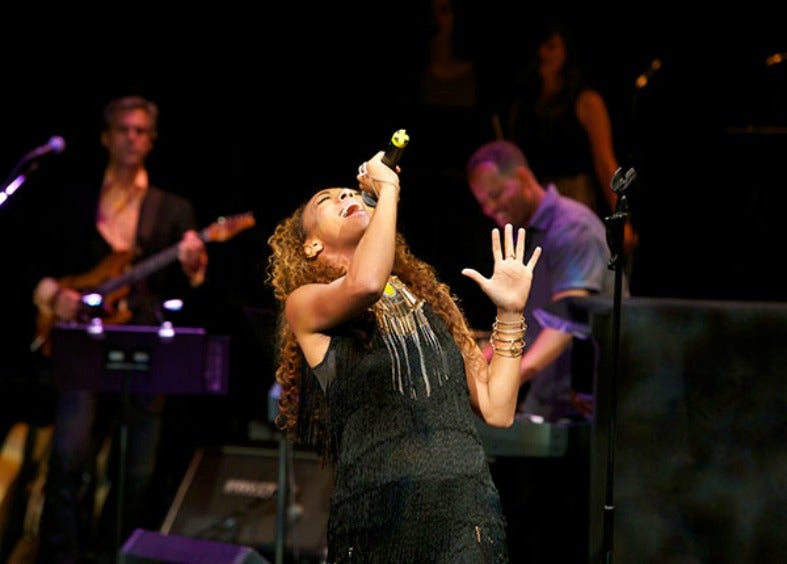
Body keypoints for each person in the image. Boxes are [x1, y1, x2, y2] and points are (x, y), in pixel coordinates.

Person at [265, 148, 541, 562]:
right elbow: (366, 284)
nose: (345, 197)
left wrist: (510, 312)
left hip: (465, 513)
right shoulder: (305, 305)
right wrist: (389, 188)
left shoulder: (432, 304)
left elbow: (497, 408)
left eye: (347, 192)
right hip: (379, 517)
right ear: (311, 247)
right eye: (328, 199)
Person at [31, 94, 208, 563]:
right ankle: (60, 554)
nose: (132, 138)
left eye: (141, 131)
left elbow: (192, 287)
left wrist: (194, 264)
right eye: (123, 130)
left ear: (151, 141)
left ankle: (115, 553)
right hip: (82, 340)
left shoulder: (172, 207)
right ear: (106, 137)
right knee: (69, 455)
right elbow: (38, 264)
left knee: (137, 468)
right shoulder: (75, 199)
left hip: (143, 339)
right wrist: (55, 296)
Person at [466, 138, 627, 562]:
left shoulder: (571, 226)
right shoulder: (524, 233)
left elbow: (566, 324)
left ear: (522, 178)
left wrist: (502, 379)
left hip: (583, 412)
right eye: (483, 203)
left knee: (559, 537)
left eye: (496, 196)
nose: (491, 210)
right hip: (545, 406)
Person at [499, 23, 639, 259]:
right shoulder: (523, 103)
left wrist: (623, 220)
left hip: (574, 200)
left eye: (551, 46)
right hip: (534, 205)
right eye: (539, 47)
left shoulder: (585, 100)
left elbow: (605, 164)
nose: (543, 54)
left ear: (566, 51)